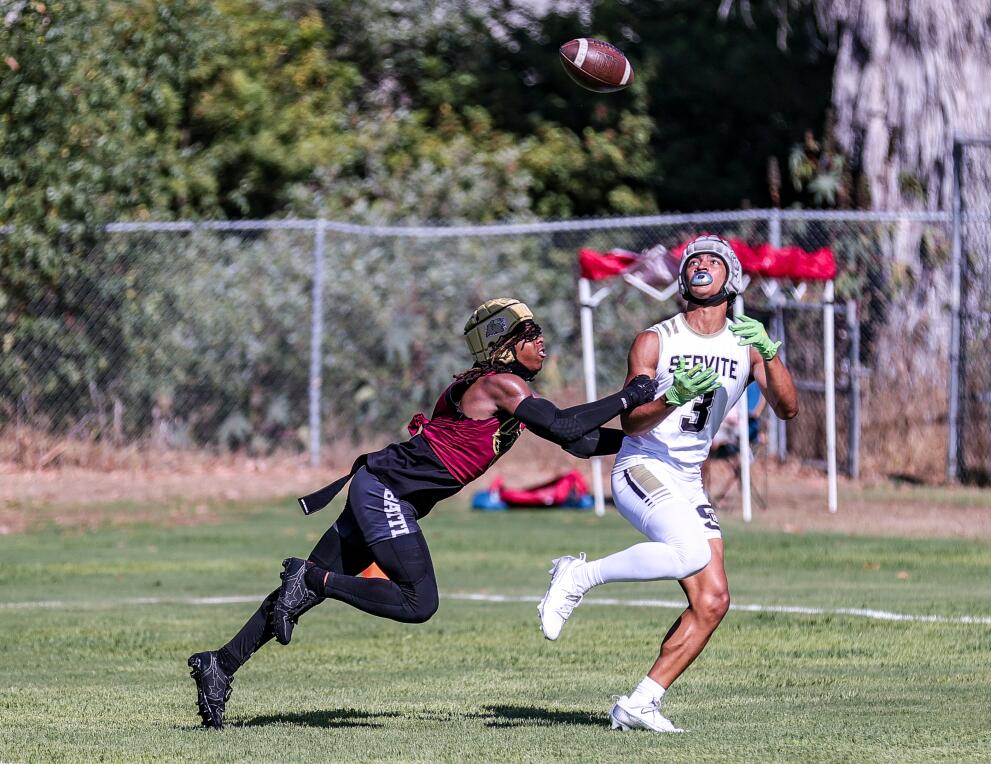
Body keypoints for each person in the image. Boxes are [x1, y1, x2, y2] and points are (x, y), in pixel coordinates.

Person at [186, 298, 656, 730]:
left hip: (380, 488)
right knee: (417, 601)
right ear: (506, 346)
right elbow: (565, 424)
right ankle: (311, 579)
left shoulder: (500, 388)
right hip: (385, 493)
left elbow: (574, 440)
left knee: (297, 597)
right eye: (531, 334)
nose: (542, 343)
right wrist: (630, 395)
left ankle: (220, 664)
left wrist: (646, 439)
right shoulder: (500, 383)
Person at [537, 236, 798, 733]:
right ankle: (577, 576)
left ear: (732, 278)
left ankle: (640, 702)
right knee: (690, 554)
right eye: (692, 260)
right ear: (683, 280)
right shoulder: (656, 340)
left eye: (712, 259)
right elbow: (633, 423)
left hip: (688, 480)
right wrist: (672, 396)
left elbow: (788, 409)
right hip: (643, 464)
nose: (700, 264)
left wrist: (771, 355)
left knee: (713, 600)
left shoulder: (747, 343)